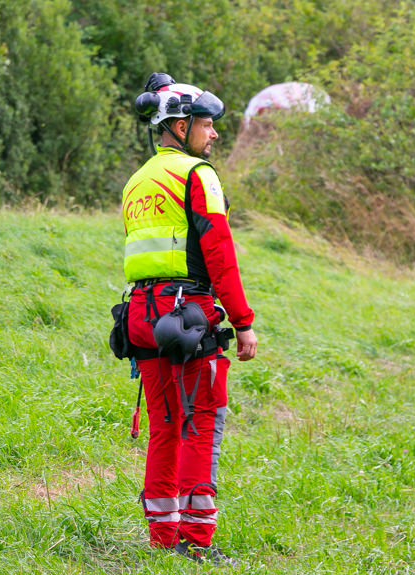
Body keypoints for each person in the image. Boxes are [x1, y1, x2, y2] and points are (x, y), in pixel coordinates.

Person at [120, 72, 258, 566]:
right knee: (199, 424)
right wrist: (242, 321)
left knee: (164, 427)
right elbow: (219, 252)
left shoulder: (138, 180)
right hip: (189, 317)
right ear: (179, 125)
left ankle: (162, 540)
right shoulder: (199, 175)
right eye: (206, 123)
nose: (213, 133)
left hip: (142, 316)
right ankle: (198, 542)